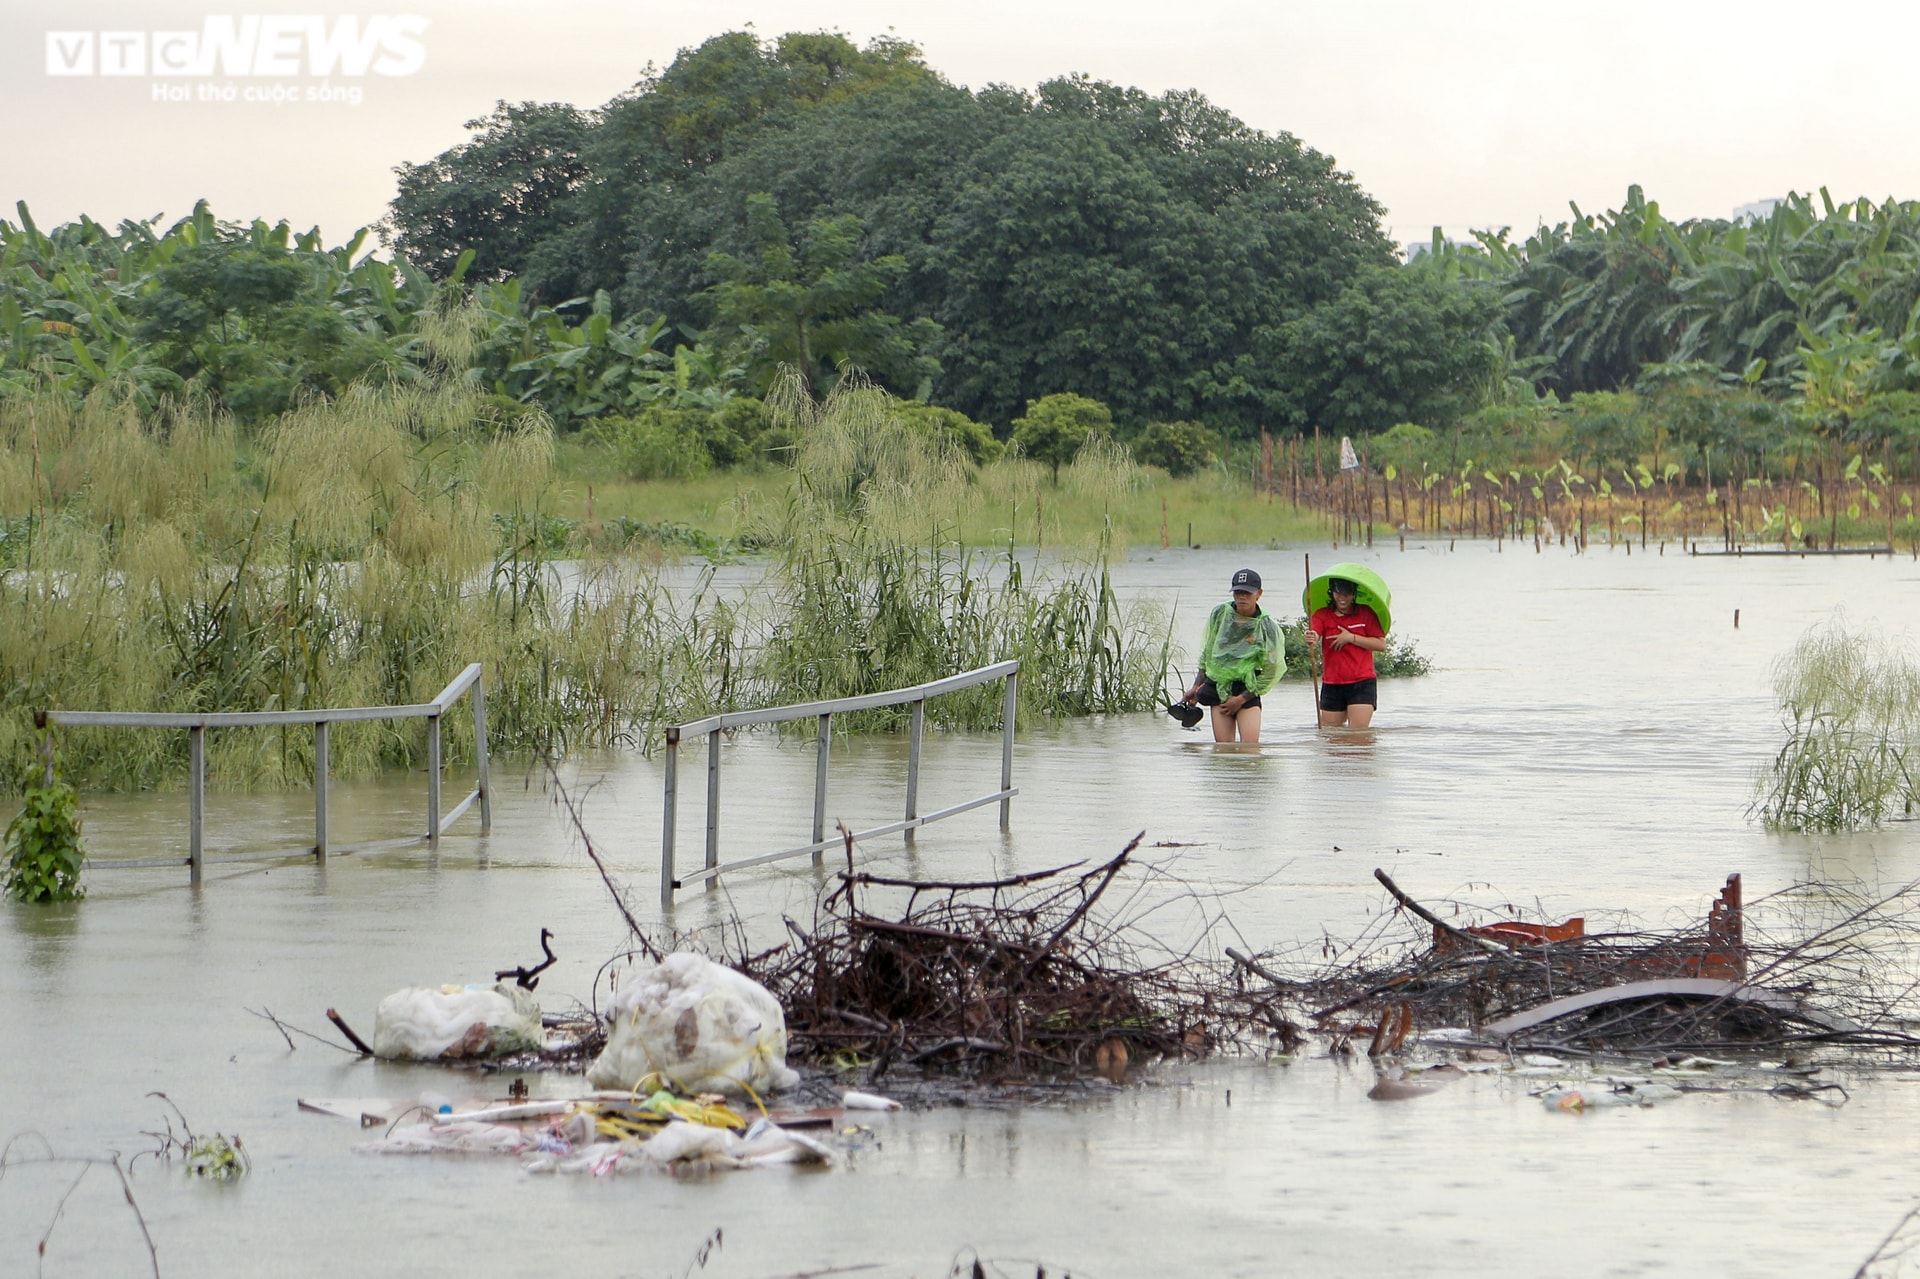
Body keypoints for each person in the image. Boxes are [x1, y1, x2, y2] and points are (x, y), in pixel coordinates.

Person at [1183, 568, 1284, 743]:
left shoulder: (1266, 626)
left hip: (1246, 688)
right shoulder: (1220, 614)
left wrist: (1241, 699)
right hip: (1219, 687)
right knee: (1224, 750)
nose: (1242, 597)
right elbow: (1208, 654)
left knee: (1250, 748)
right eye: (1238, 592)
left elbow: (1272, 669)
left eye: (1247, 593)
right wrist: (1196, 686)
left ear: (1259, 594)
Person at [1310, 576, 1388, 728]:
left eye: (1346, 594)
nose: (1342, 598)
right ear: (1332, 593)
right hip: (1332, 683)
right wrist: (1312, 637)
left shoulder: (1366, 613)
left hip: (1362, 682)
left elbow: (1381, 644)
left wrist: (1351, 638)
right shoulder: (1322, 614)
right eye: (1338, 594)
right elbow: (1315, 633)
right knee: (1331, 735)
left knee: (1358, 735)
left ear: (1353, 594)